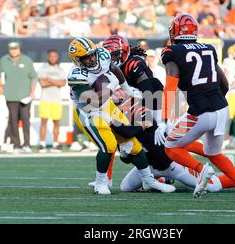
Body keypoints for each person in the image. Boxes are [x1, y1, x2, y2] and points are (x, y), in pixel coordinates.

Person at [161, 14, 235, 202]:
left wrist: (164, 118)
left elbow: (170, 86)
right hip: (222, 108)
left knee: (170, 146)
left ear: (174, 32)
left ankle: (201, 169)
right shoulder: (209, 48)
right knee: (214, 153)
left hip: (199, 111)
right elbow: (224, 83)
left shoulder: (171, 52)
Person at [67, 37, 174, 195]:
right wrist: (113, 84)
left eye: (92, 54)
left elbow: (115, 70)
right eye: (86, 57)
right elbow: (95, 102)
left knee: (134, 146)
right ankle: (101, 182)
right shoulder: (76, 76)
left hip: (107, 105)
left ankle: (149, 180)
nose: (91, 59)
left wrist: (127, 89)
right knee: (109, 145)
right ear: (78, 60)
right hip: (88, 111)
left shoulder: (103, 55)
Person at [0, 41, 37, 154]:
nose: (13, 51)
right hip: (11, 96)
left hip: (25, 97)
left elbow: (33, 77)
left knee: (26, 121)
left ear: (20, 49)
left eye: (16, 48)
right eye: (11, 49)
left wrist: (32, 92)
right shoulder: (4, 60)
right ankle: (16, 144)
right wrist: (0, 86)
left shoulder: (27, 60)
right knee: (13, 121)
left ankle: (27, 144)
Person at [37, 49, 67, 153]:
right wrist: (56, 82)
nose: (53, 58)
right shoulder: (43, 68)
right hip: (45, 99)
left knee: (56, 123)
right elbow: (42, 83)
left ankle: (56, 144)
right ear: (48, 57)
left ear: (57, 57)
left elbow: (63, 83)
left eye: (55, 56)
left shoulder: (60, 69)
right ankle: (42, 144)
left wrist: (49, 80)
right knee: (44, 122)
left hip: (56, 100)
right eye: (51, 56)